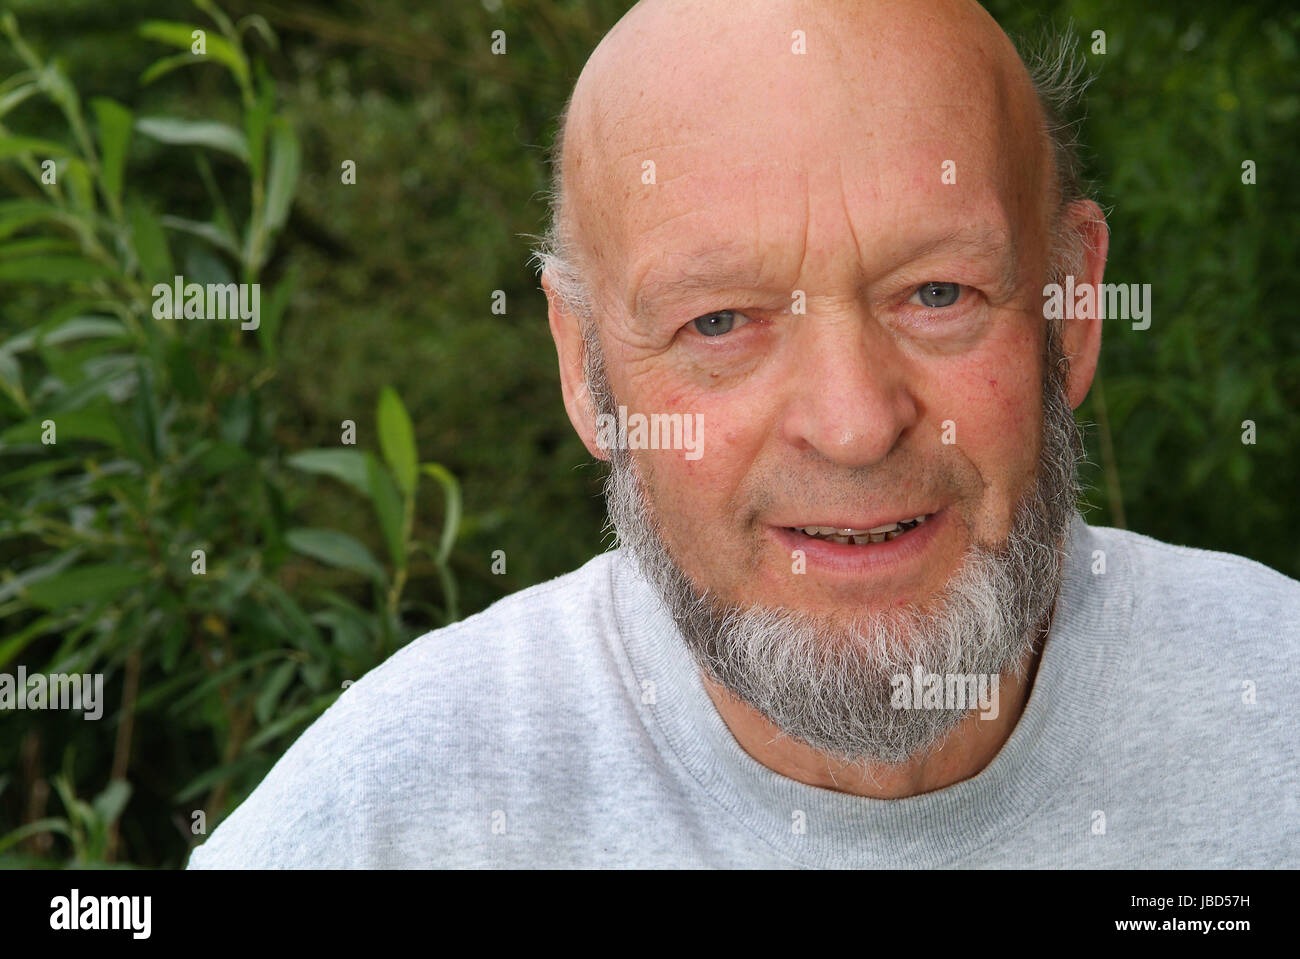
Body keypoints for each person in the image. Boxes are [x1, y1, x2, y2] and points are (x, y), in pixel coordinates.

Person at [188, 0, 1299, 869]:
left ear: (1071, 300)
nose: (856, 425)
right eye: (718, 320)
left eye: (938, 293)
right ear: (584, 365)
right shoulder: (387, 817)